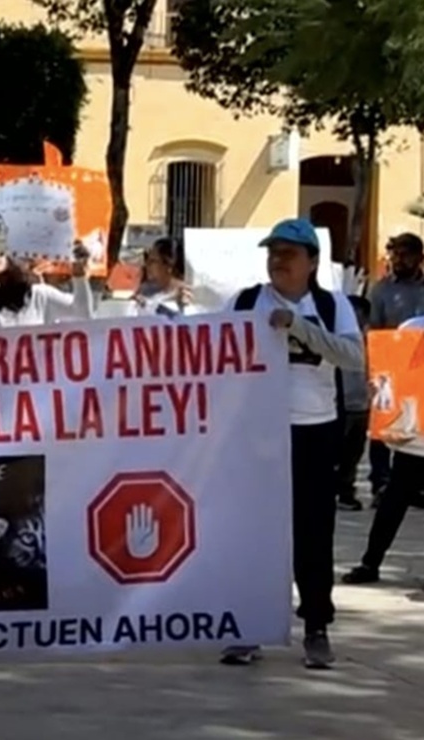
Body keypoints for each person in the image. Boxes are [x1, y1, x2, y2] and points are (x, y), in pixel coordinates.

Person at [217, 218, 364, 670]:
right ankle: (251, 627)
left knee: (313, 536)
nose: (278, 260)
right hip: (257, 434)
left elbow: (353, 357)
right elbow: (206, 353)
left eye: (289, 252)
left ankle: (316, 626)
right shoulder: (244, 302)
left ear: (312, 262)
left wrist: (299, 326)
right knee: (256, 534)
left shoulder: (331, 304)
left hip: (314, 432)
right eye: (273, 251)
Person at [341, 312, 424, 585]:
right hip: (412, 435)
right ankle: (370, 562)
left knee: (395, 500)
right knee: (394, 501)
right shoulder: (411, 329)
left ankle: (370, 562)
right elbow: (389, 378)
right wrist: (388, 424)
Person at [366, 233, 424, 505]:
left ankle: (415, 485)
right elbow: (373, 328)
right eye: (396, 254)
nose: (399, 260)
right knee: (384, 423)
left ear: (419, 258)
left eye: (406, 254)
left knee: (416, 423)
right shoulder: (380, 290)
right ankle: (381, 482)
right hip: (389, 367)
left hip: (420, 369)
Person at [336, 295, 371, 512]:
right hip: (342, 406)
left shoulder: (372, 345)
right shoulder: (339, 343)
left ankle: (346, 491)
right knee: (335, 453)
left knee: (354, 453)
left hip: (363, 406)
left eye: (360, 317)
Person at [132, 237, 194, 317]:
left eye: (153, 261)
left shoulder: (188, 295)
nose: (147, 265)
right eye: (147, 259)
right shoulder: (145, 291)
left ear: (169, 265)